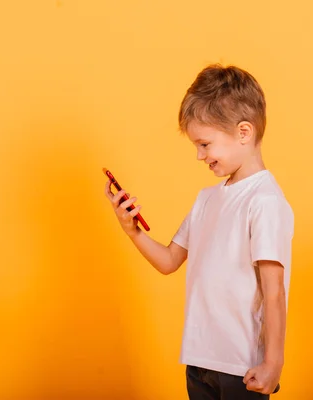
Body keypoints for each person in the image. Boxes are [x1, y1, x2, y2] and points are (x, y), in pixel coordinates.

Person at [105, 64, 294, 399]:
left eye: (205, 144)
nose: (199, 155)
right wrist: (132, 231)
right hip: (200, 361)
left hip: (241, 367)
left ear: (243, 132)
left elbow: (274, 290)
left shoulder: (264, 201)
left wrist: (273, 362)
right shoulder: (206, 200)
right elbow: (168, 261)